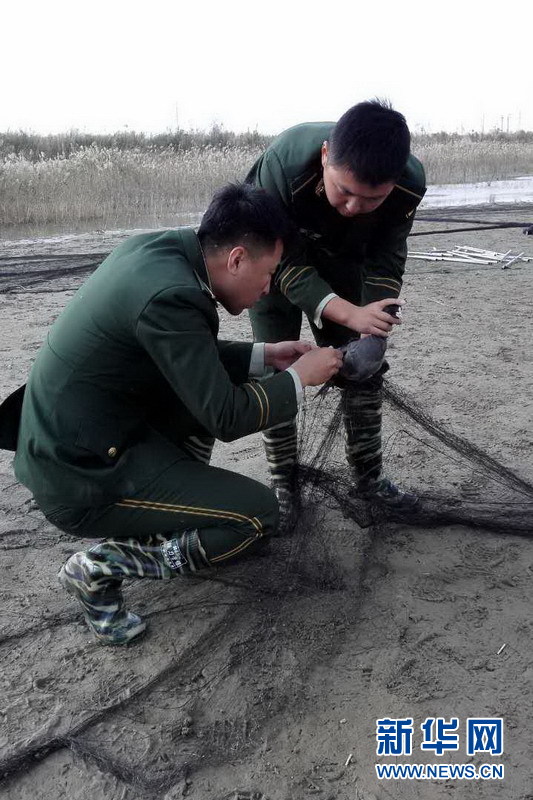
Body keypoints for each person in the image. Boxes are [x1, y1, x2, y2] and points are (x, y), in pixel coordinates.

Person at [9, 183, 342, 645]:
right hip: (80, 475)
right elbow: (225, 416)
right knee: (255, 517)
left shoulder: (162, 252)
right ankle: (100, 567)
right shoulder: (173, 296)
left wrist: (267, 355)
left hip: (82, 435)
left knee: (194, 408)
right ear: (238, 258)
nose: (268, 289)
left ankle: (167, 520)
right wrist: (299, 378)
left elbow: (185, 354)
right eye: (268, 275)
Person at [246, 99, 426, 513]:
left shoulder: (409, 184)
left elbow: (387, 256)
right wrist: (347, 312)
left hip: (345, 260)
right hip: (274, 263)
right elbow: (284, 262)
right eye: (344, 191)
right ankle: (285, 488)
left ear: (394, 183)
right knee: (276, 367)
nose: (352, 208)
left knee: (364, 366)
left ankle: (369, 482)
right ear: (326, 155)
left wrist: (373, 321)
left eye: (371, 199)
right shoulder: (282, 166)